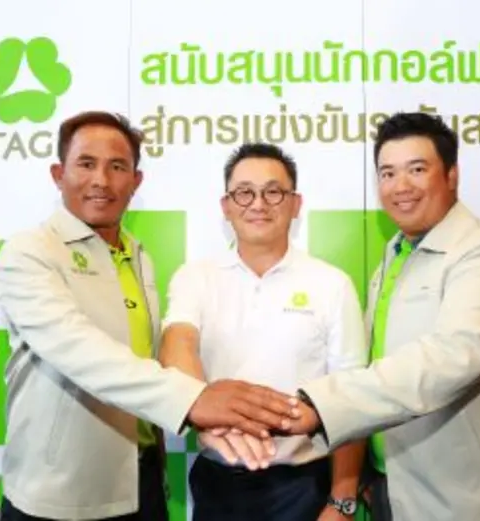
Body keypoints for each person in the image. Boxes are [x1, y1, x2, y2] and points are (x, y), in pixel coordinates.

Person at [0, 111, 299, 521]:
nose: (101, 180)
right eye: (86, 163)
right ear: (58, 174)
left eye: (117, 167)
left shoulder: (138, 255)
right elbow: (77, 349)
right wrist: (194, 399)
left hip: (142, 481)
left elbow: (155, 353)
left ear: (136, 181)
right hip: (62, 492)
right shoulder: (29, 252)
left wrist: (206, 412)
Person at [286, 112, 480, 521]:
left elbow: (452, 357)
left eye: (417, 169)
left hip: (478, 504)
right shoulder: (396, 254)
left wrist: (321, 404)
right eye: (388, 173)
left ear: (452, 175)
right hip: (396, 492)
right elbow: (382, 363)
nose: (400, 186)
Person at [158, 143, 368, 521]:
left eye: (273, 192)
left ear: (295, 204)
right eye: (244, 192)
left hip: (303, 485)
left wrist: (342, 500)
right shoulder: (195, 277)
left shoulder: (332, 284)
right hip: (217, 482)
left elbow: (351, 396)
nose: (258, 204)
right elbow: (177, 344)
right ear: (226, 206)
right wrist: (207, 414)